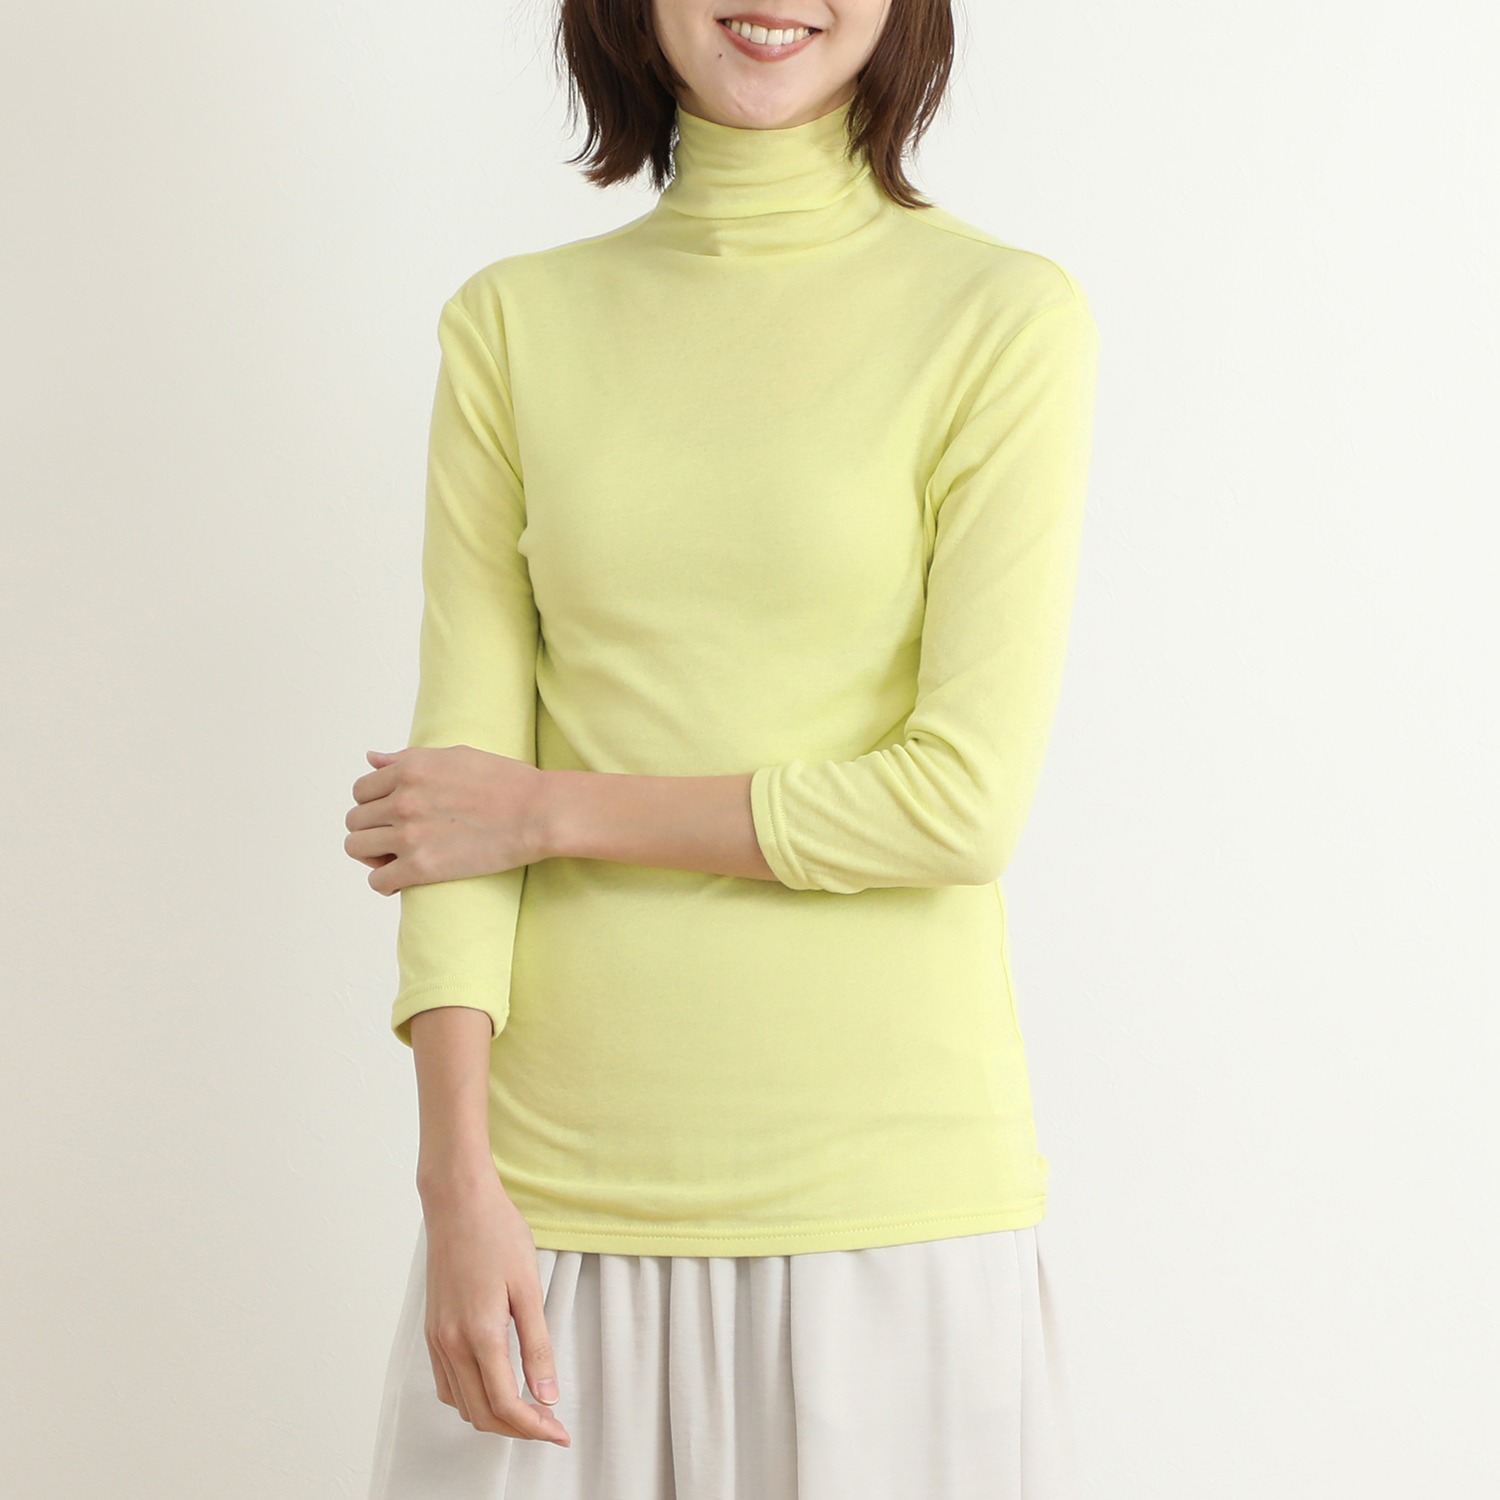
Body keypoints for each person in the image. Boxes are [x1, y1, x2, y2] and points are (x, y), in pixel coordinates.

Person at [344, 1, 1100, 1495]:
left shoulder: (1001, 316)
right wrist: (456, 1183)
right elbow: (452, 801)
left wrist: (550, 810)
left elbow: (958, 807)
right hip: (548, 1207)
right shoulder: (512, 325)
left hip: (888, 1206)